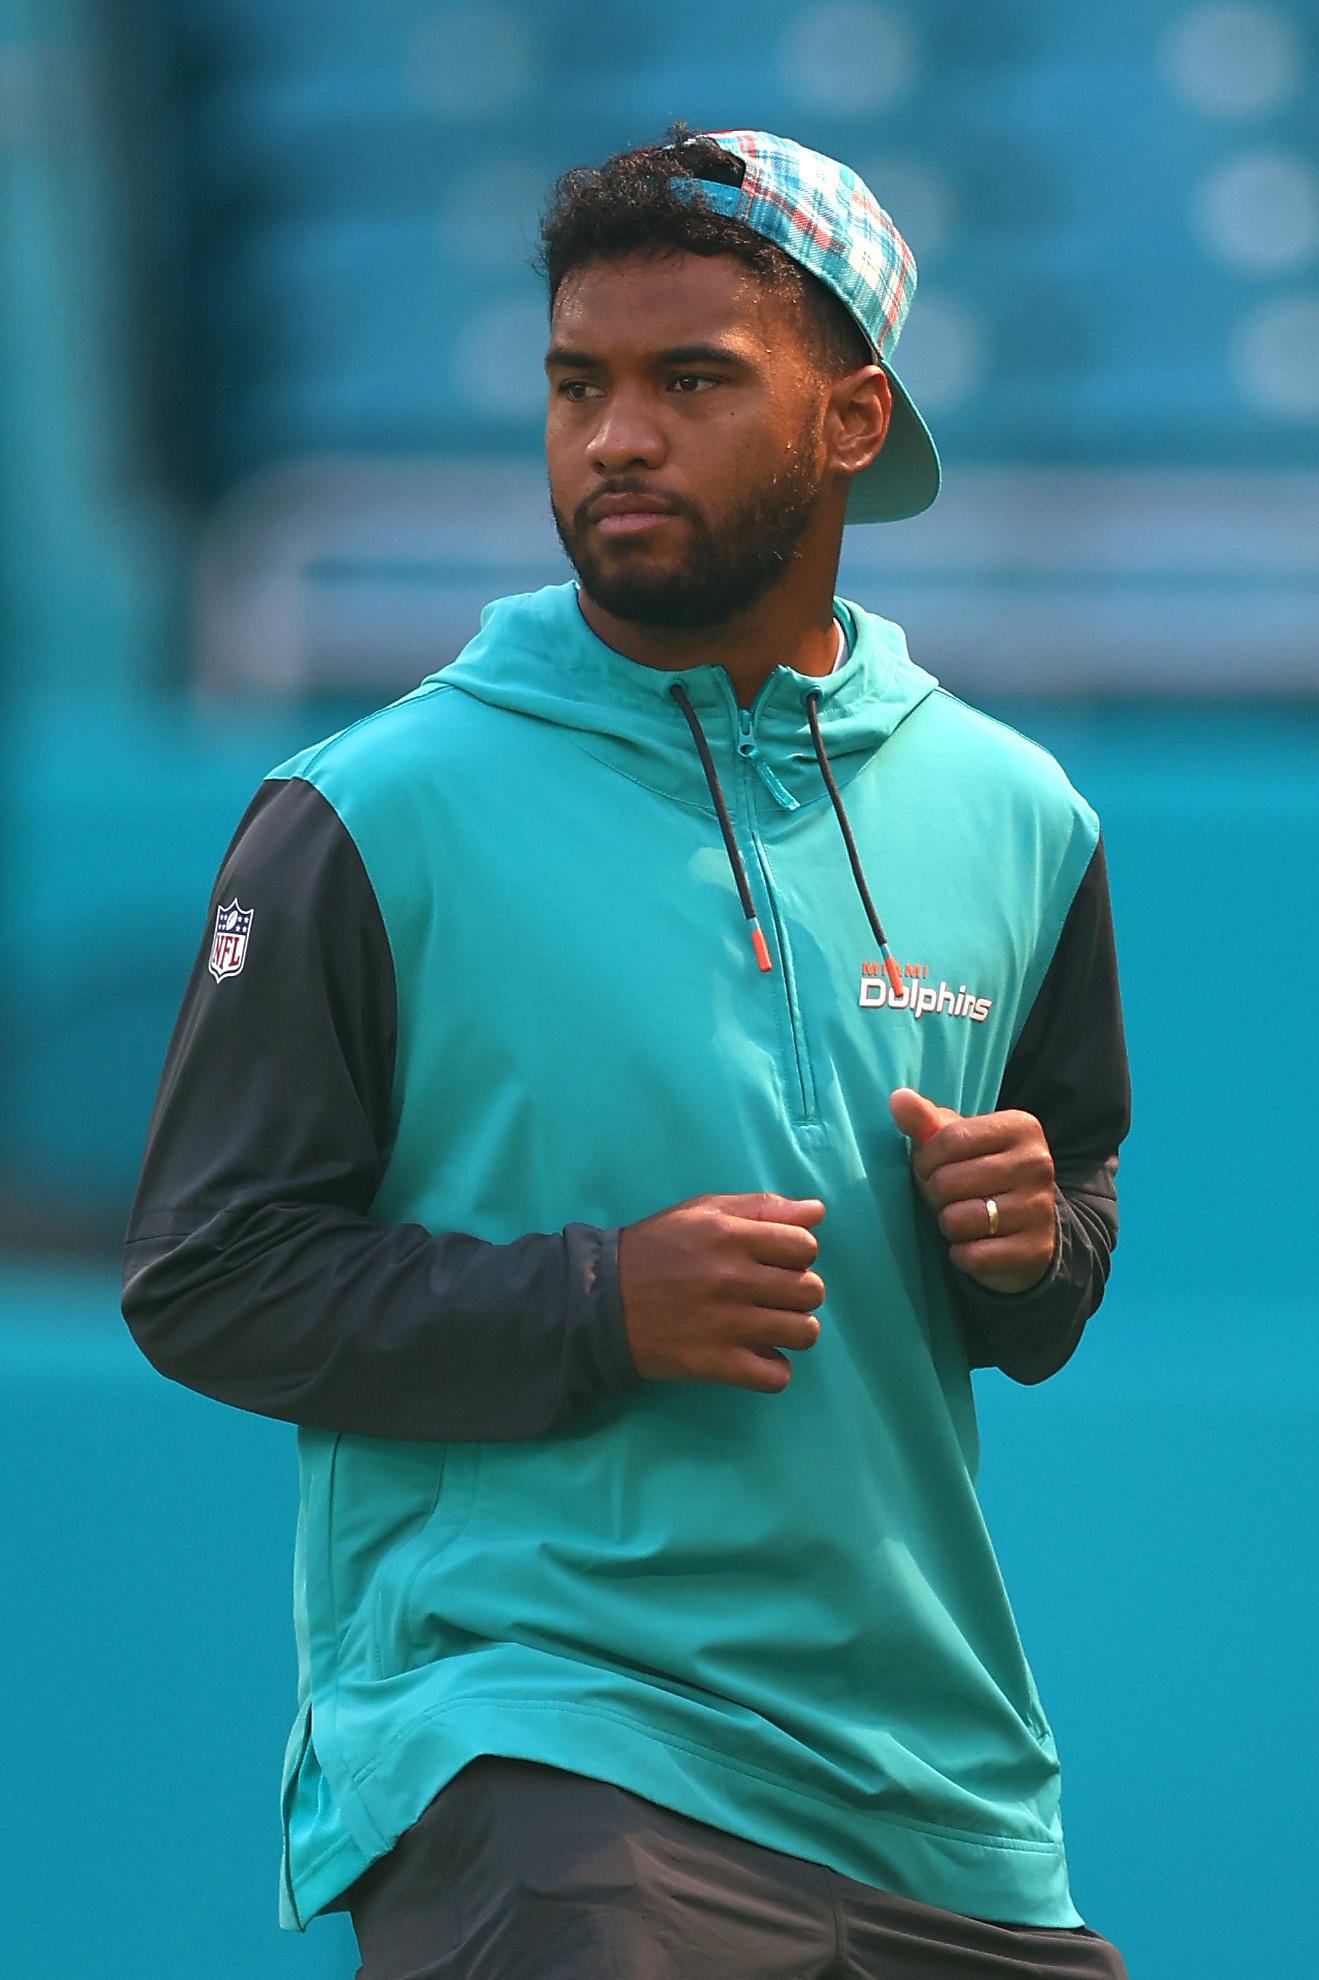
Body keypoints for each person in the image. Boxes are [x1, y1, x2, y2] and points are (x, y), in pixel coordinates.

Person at [123, 129, 1131, 1980]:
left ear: (851, 420)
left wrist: (1028, 1236)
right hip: (537, 1749)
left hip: (951, 1806)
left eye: (692, 382)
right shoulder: (367, 810)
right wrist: (600, 1301)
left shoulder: (1024, 817)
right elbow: (209, 1280)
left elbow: (1060, 1255)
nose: (614, 440)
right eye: (578, 384)